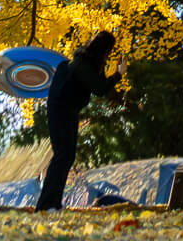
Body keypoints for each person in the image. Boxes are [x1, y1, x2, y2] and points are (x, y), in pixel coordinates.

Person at [36, 31, 121, 211]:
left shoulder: (91, 64)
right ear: (103, 49)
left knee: (67, 156)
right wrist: (119, 74)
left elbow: (102, 86)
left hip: (69, 110)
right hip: (60, 109)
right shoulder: (82, 63)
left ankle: (53, 203)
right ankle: (45, 205)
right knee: (62, 155)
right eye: (108, 51)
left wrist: (110, 73)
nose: (109, 54)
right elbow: (99, 89)